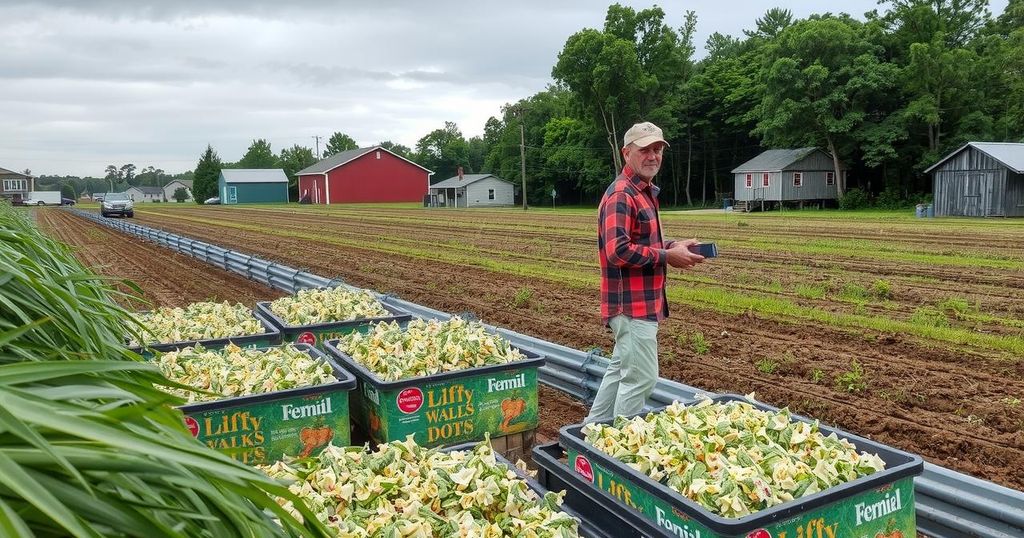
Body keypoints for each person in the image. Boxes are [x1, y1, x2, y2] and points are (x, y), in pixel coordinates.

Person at [584, 121, 705, 424]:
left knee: (620, 371)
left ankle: (590, 435)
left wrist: (674, 245)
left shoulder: (644, 192)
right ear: (627, 153)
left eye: (657, 149)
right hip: (631, 306)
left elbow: (641, 241)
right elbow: (617, 250)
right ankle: (614, 451)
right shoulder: (622, 195)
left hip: (640, 304)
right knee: (641, 379)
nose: (653, 156)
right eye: (645, 150)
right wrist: (667, 256)